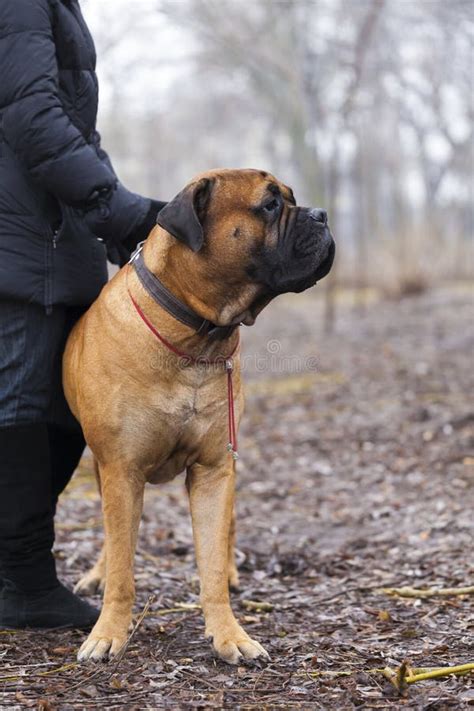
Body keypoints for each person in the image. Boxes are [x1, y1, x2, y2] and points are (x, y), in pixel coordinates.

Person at [0, 0, 165, 629]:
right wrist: (113, 206)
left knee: (72, 411)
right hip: (22, 242)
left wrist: (113, 213)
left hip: (54, 238)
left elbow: (72, 127)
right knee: (20, 408)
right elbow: (34, 118)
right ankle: (25, 583)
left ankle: (16, 574)